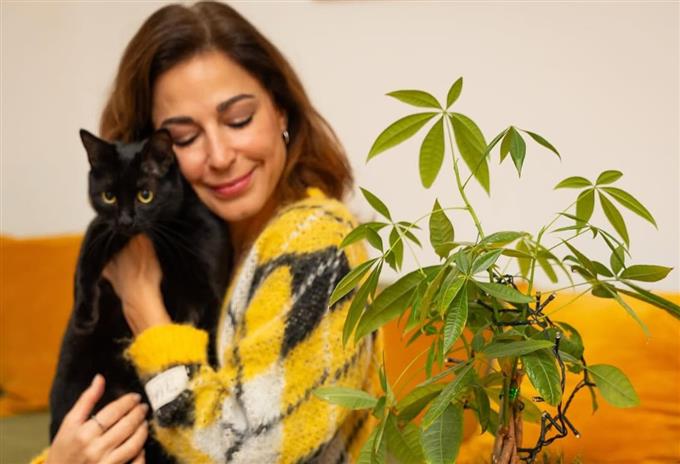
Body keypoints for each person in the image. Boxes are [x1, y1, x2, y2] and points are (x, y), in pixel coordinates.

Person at [33, 2, 382, 463]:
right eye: (184, 138)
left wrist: (143, 304)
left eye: (238, 119)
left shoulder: (319, 245)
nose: (219, 156)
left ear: (281, 110)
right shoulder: (186, 244)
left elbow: (251, 452)